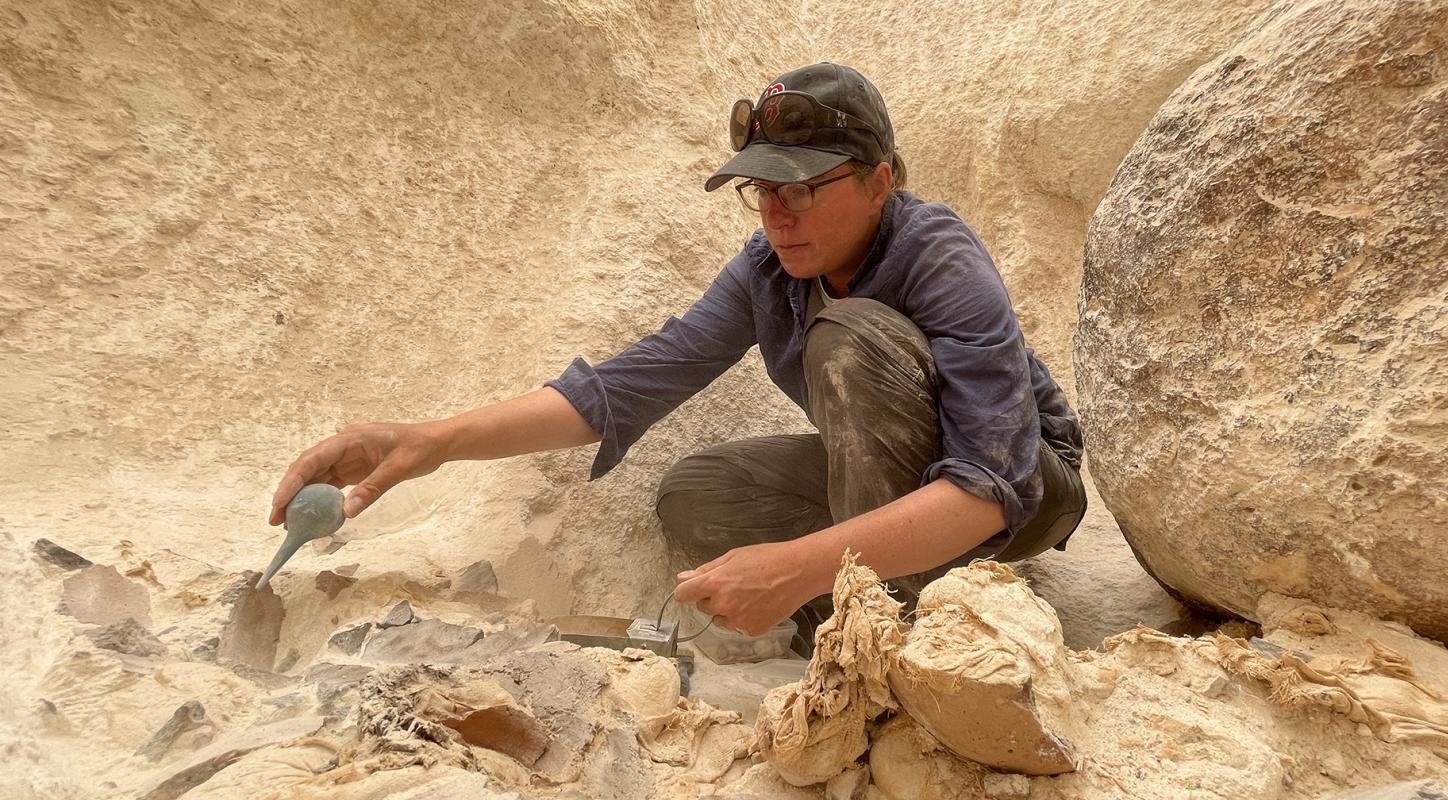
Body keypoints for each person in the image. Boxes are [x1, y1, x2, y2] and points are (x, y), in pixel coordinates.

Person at [268, 63, 1086, 646]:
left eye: (801, 188)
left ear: (879, 181)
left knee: (851, 340)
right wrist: (429, 442)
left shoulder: (938, 254)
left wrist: (798, 567)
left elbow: (989, 488)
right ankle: (865, 586)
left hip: (1024, 487)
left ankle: (889, 632)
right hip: (904, 480)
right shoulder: (771, 270)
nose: (776, 214)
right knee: (700, 496)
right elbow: (624, 387)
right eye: (763, 191)